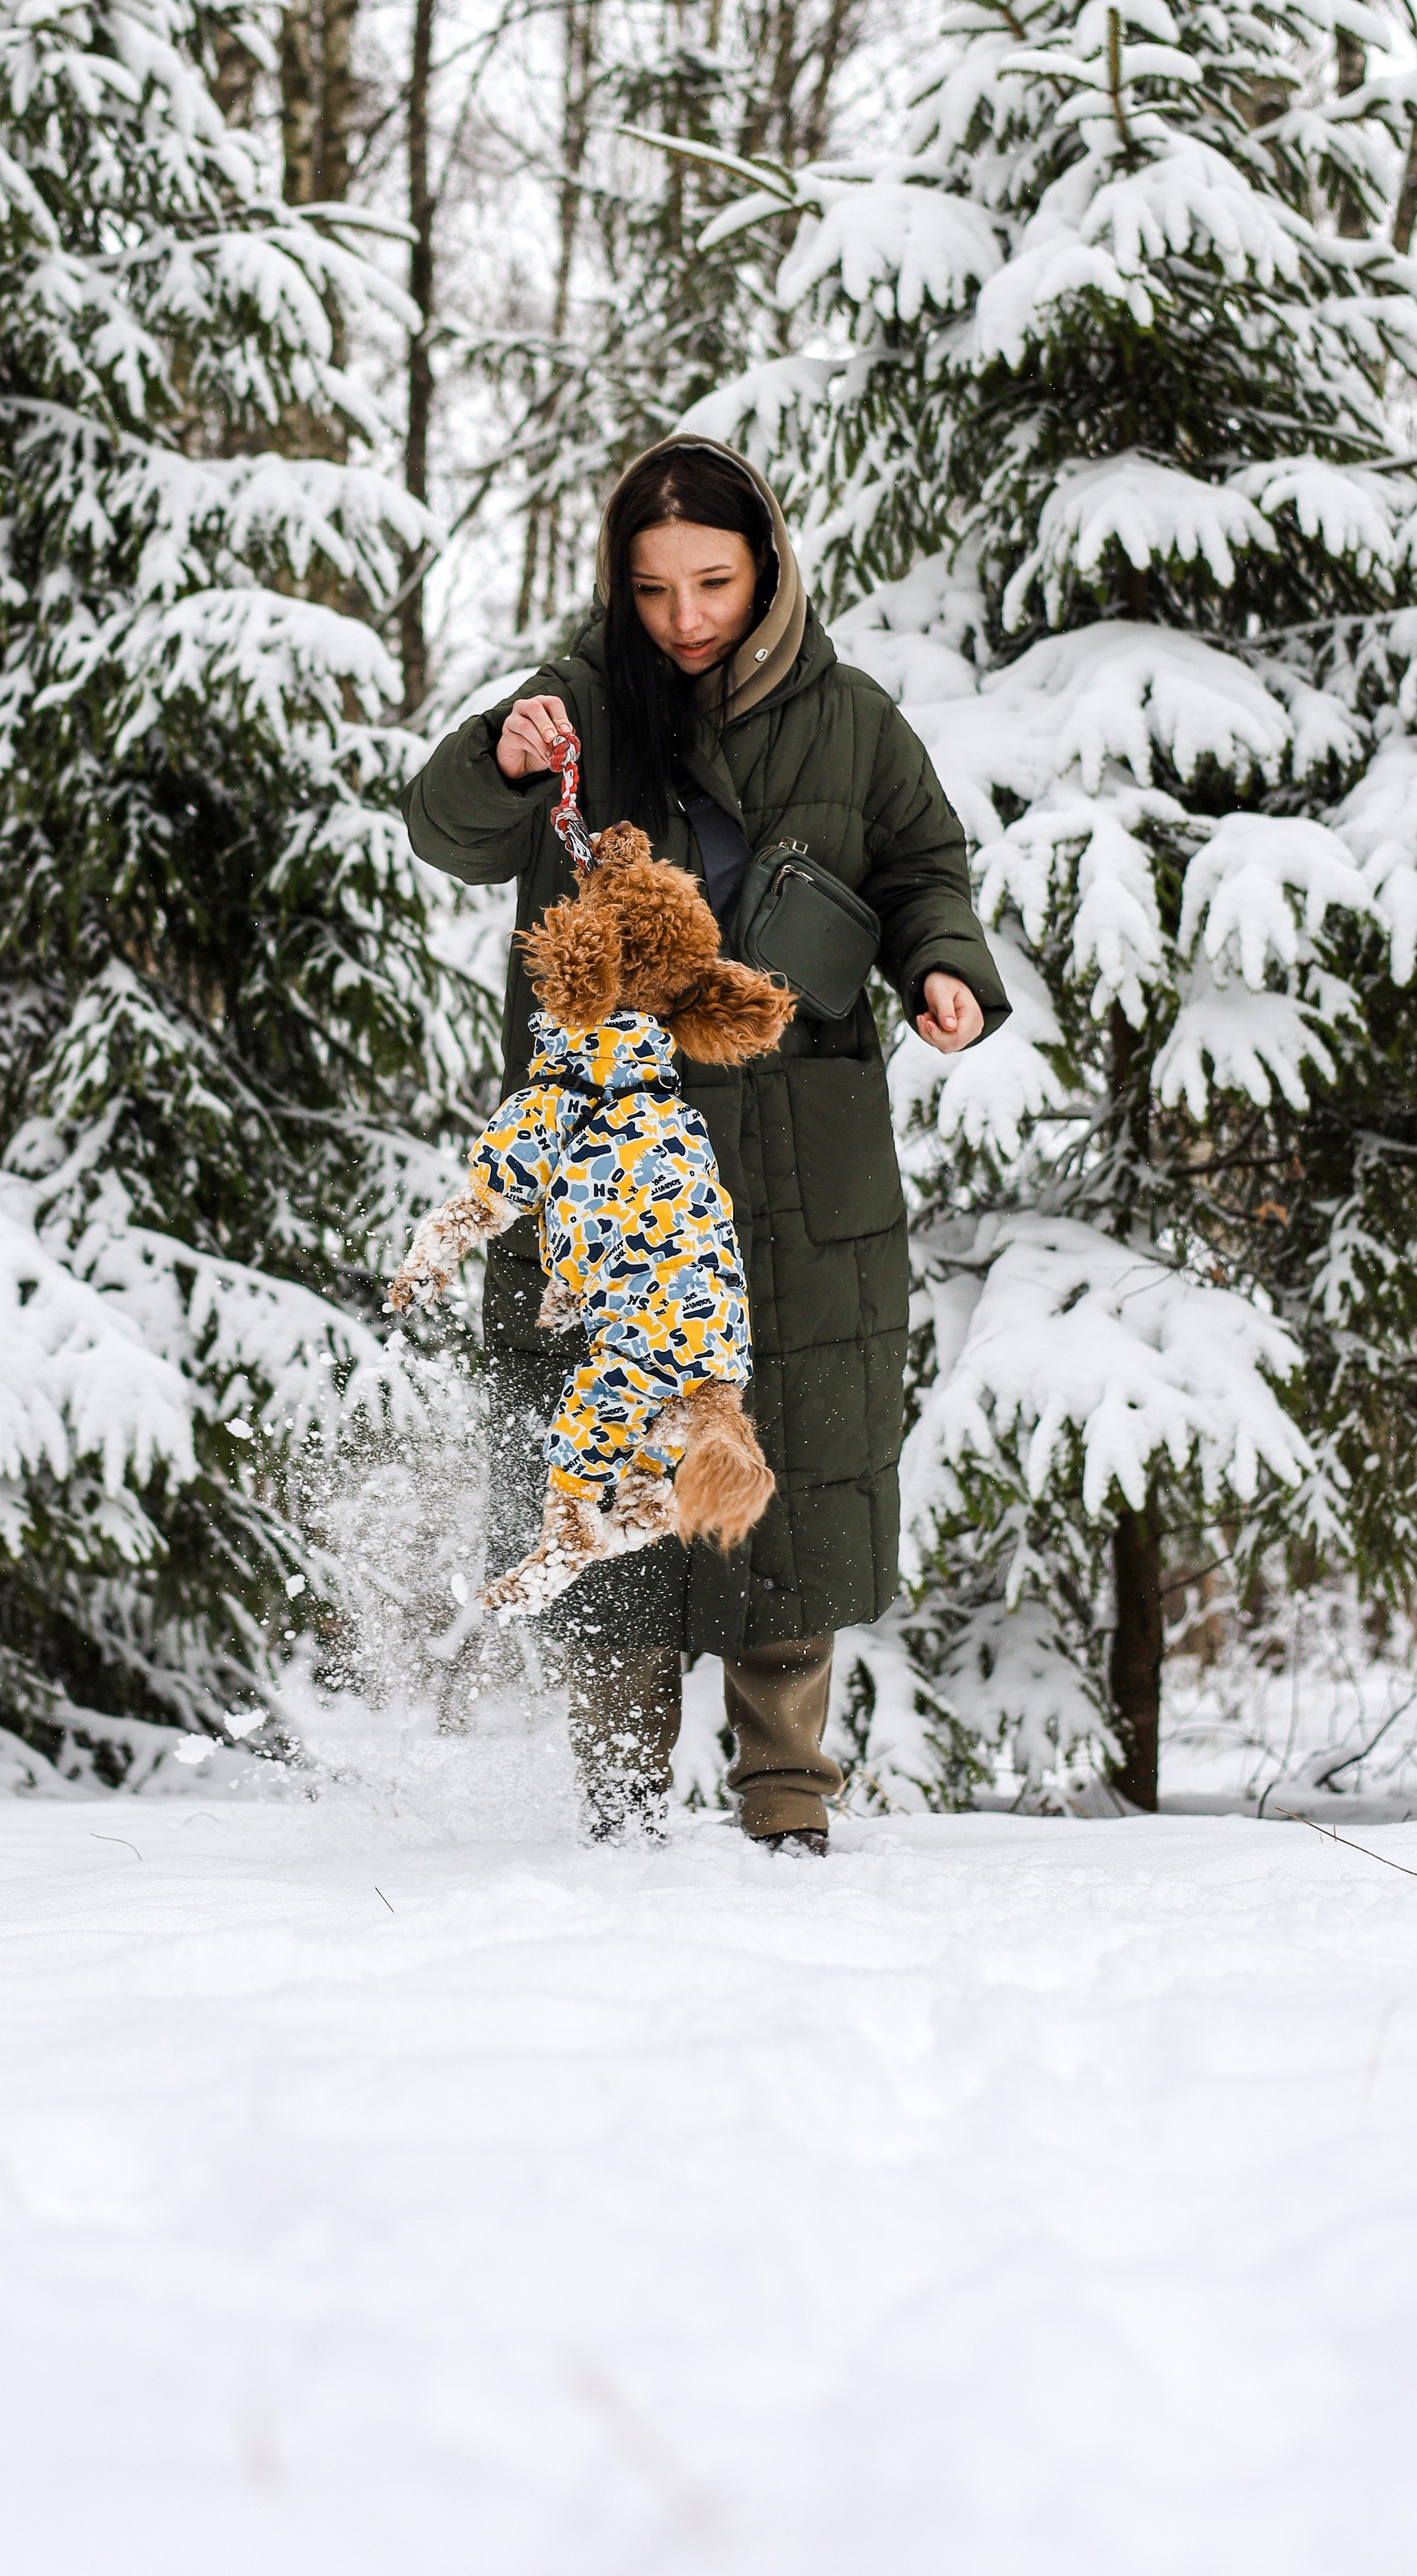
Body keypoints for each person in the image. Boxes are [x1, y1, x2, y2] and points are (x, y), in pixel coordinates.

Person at [404, 436, 1008, 1851]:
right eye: (656, 587)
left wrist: (945, 965)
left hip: (800, 1166)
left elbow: (927, 865)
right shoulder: (569, 707)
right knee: (608, 1469)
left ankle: (787, 1801)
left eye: (716, 582)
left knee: (788, 1467)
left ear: (771, 567)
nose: (686, 617)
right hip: (610, 1168)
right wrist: (500, 754)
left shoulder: (853, 719)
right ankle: (618, 1812)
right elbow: (447, 827)